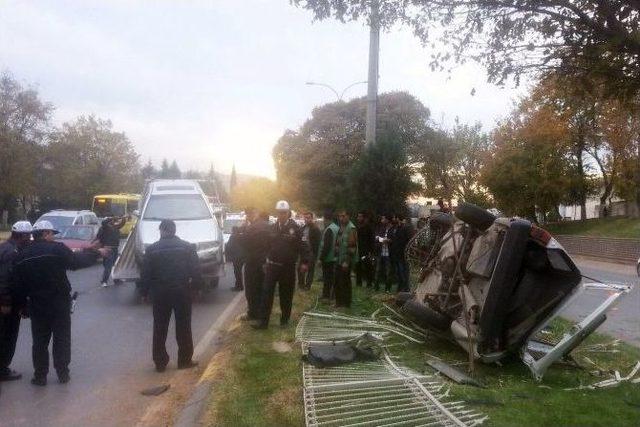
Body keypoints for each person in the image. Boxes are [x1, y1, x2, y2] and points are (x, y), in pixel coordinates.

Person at [12, 220, 102, 386]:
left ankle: (40, 376)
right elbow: (75, 262)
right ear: (46, 233)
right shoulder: (57, 249)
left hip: (37, 304)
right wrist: (96, 254)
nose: (53, 236)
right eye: (52, 233)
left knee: (39, 341)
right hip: (59, 302)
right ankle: (63, 374)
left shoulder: (22, 256)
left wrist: (22, 307)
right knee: (61, 338)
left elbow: (18, 285)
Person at [139, 220, 202, 372]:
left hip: (160, 294)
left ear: (161, 230)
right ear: (174, 230)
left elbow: (145, 274)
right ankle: (184, 360)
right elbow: (195, 270)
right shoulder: (187, 247)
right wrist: (197, 288)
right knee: (184, 326)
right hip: (182, 292)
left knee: (160, 327)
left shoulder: (152, 249)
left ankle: (160, 362)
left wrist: (144, 293)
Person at [252, 200, 310, 329]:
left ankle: (284, 321)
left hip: (287, 268)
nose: (282, 215)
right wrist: (264, 261)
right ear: (277, 213)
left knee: (286, 295)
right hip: (272, 266)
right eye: (279, 213)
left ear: (288, 213)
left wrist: (304, 262)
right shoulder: (272, 228)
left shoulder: (295, 228)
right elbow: (266, 246)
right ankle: (263, 322)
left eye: (284, 213)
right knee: (266, 293)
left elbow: (304, 247)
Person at [0, 221, 32, 382]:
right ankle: (3, 370)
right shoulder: (12, 252)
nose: (30, 238)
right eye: (29, 235)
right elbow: (5, 279)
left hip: (6, 301)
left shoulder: (4, 247)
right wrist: (6, 302)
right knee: (8, 336)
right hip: (7, 304)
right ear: (23, 236)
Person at [241, 211, 270, 321]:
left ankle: (253, 313)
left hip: (252, 262)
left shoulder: (251, 228)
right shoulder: (269, 226)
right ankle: (263, 313)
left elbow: (243, 243)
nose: (247, 217)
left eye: (248, 215)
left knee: (251, 289)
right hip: (265, 262)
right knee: (263, 288)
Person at [92, 216, 126, 287]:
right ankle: (104, 281)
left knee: (116, 265)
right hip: (108, 249)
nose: (114, 221)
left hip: (115, 249)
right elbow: (103, 223)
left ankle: (116, 279)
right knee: (108, 266)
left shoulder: (116, 227)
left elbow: (122, 223)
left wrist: (123, 218)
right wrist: (111, 218)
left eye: (114, 220)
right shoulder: (105, 228)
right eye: (113, 221)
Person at [334, 210, 358, 308]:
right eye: (340, 216)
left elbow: (352, 247)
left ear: (348, 216)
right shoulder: (341, 227)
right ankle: (338, 302)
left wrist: (346, 262)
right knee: (337, 281)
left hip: (345, 261)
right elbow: (338, 243)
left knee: (345, 282)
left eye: (343, 216)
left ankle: (346, 303)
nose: (341, 218)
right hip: (339, 259)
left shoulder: (351, 228)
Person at [318, 209, 339, 301]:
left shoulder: (329, 229)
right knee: (333, 278)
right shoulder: (336, 227)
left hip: (328, 258)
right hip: (335, 257)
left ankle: (326, 296)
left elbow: (326, 246)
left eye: (323, 219)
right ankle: (333, 296)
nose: (323, 221)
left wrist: (321, 259)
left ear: (326, 219)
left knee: (327, 278)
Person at [297, 211, 321, 290]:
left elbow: (317, 243)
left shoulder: (315, 229)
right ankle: (301, 284)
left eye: (308, 218)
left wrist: (315, 255)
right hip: (303, 252)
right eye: (305, 218)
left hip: (311, 252)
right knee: (300, 268)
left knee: (310, 269)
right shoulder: (302, 228)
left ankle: (308, 286)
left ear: (312, 218)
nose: (306, 219)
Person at [390, 214, 413, 293]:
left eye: (394, 217)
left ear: (398, 218)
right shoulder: (398, 228)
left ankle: (406, 289)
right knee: (399, 273)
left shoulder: (406, 228)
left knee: (404, 273)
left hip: (403, 254)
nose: (393, 219)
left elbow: (409, 241)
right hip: (398, 254)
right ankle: (401, 288)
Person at [355, 211, 375, 288]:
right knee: (358, 266)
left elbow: (371, 240)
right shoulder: (357, 226)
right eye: (358, 216)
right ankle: (358, 282)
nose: (358, 218)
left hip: (366, 250)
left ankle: (369, 283)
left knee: (367, 267)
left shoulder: (368, 227)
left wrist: (370, 251)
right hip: (358, 250)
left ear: (364, 218)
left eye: (360, 216)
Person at [374, 214, 393, 292]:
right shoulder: (381, 229)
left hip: (388, 253)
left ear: (387, 220)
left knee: (388, 271)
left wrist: (388, 240)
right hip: (380, 252)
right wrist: (380, 239)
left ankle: (387, 288)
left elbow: (393, 240)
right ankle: (376, 287)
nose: (382, 220)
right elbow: (377, 238)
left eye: (383, 219)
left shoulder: (392, 229)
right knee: (377, 270)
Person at [225, 226, 245, 291]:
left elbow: (229, 246)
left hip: (236, 257)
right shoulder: (241, 236)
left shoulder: (233, 237)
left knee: (237, 272)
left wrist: (226, 253)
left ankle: (239, 286)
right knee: (239, 272)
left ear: (233, 230)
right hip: (242, 257)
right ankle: (240, 286)